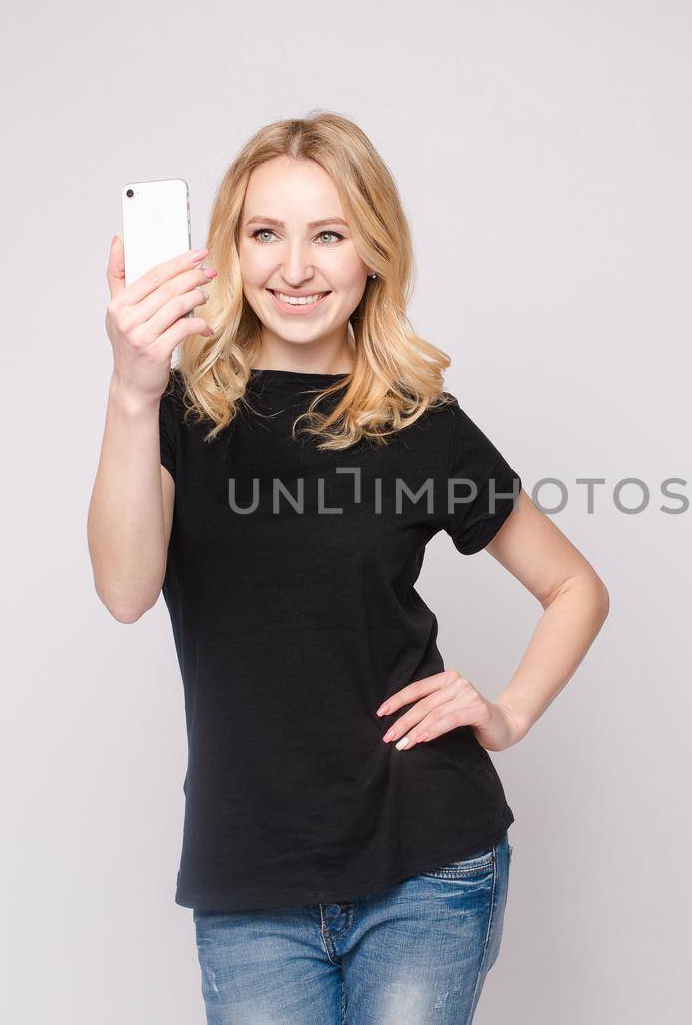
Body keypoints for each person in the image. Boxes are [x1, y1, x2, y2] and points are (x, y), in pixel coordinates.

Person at [86, 111, 611, 1024]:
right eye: (265, 234)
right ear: (230, 251)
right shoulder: (176, 414)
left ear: (373, 252)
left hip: (426, 861)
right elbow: (127, 590)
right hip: (251, 882)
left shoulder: (421, 423)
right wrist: (133, 391)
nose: (295, 268)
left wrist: (506, 711)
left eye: (328, 234)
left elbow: (575, 587)